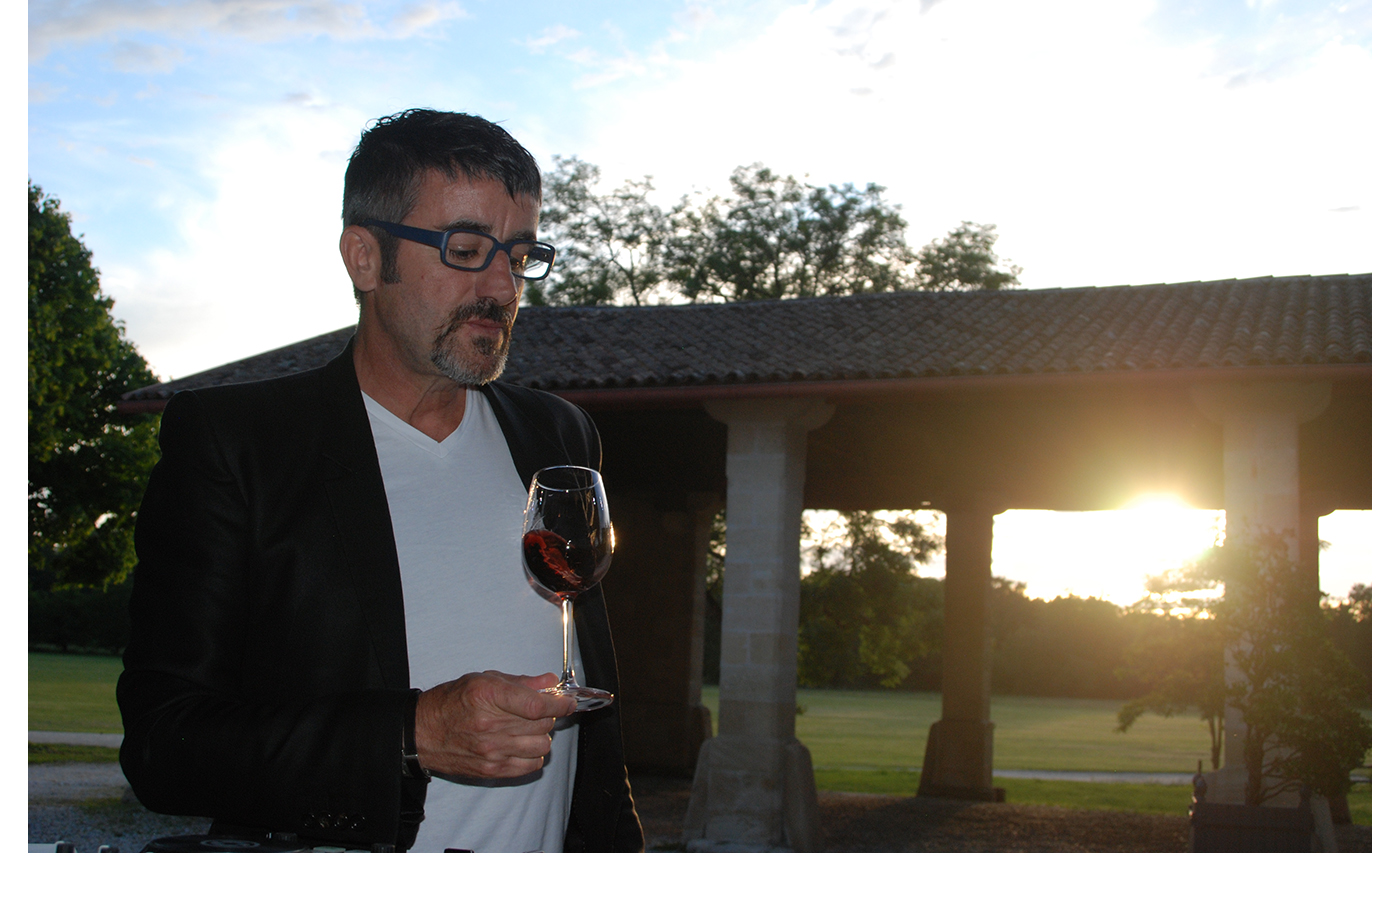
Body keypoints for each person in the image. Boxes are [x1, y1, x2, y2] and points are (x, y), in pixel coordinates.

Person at [117, 109, 644, 852]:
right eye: (466, 250)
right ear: (364, 258)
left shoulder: (558, 435)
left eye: (520, 255)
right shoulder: (238, 444)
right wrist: (411, 734)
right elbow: (163, 746)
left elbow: (598, 733)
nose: (502, 286)